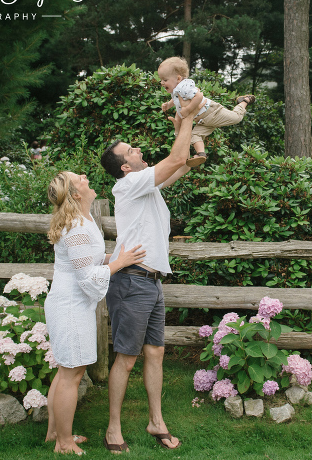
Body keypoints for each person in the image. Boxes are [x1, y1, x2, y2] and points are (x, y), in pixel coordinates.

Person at [97, 96, 198, 452]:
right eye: (131, 150)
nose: (137, 148)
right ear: (125, 168)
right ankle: (113, 429)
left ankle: (156, 422)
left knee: (154, 354)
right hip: (131, 282)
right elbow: (176, 159)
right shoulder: (127, 185)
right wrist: (185, 117)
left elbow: (180, 165)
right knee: (126, 358)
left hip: (151, 283)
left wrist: (189, 130)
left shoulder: (145, 185)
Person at [44, 171, 147, 455]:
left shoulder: (85, 220)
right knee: (72, 374)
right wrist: (119, 263)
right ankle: (63, 443)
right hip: (70, 308)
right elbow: (87, 277)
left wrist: (114, 258)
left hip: (74, 305)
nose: (84, 175)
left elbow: (87, 260)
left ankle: (54, 432)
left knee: (66, 370)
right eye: (78, 177)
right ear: (76, 194)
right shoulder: (76, 227)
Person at [158, 56, 254, 168]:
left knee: (237, 118)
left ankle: (244, 101)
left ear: (178, 79)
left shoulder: (184, 86)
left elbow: (199, 96)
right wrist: (168, 105)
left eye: (165, 80)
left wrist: (188, 110)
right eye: (161, 80)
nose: (162, 83)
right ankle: (201, 154)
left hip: (212, 112)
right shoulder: (176, 90)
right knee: (195, 135)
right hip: (202, 120)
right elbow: (175, 100)